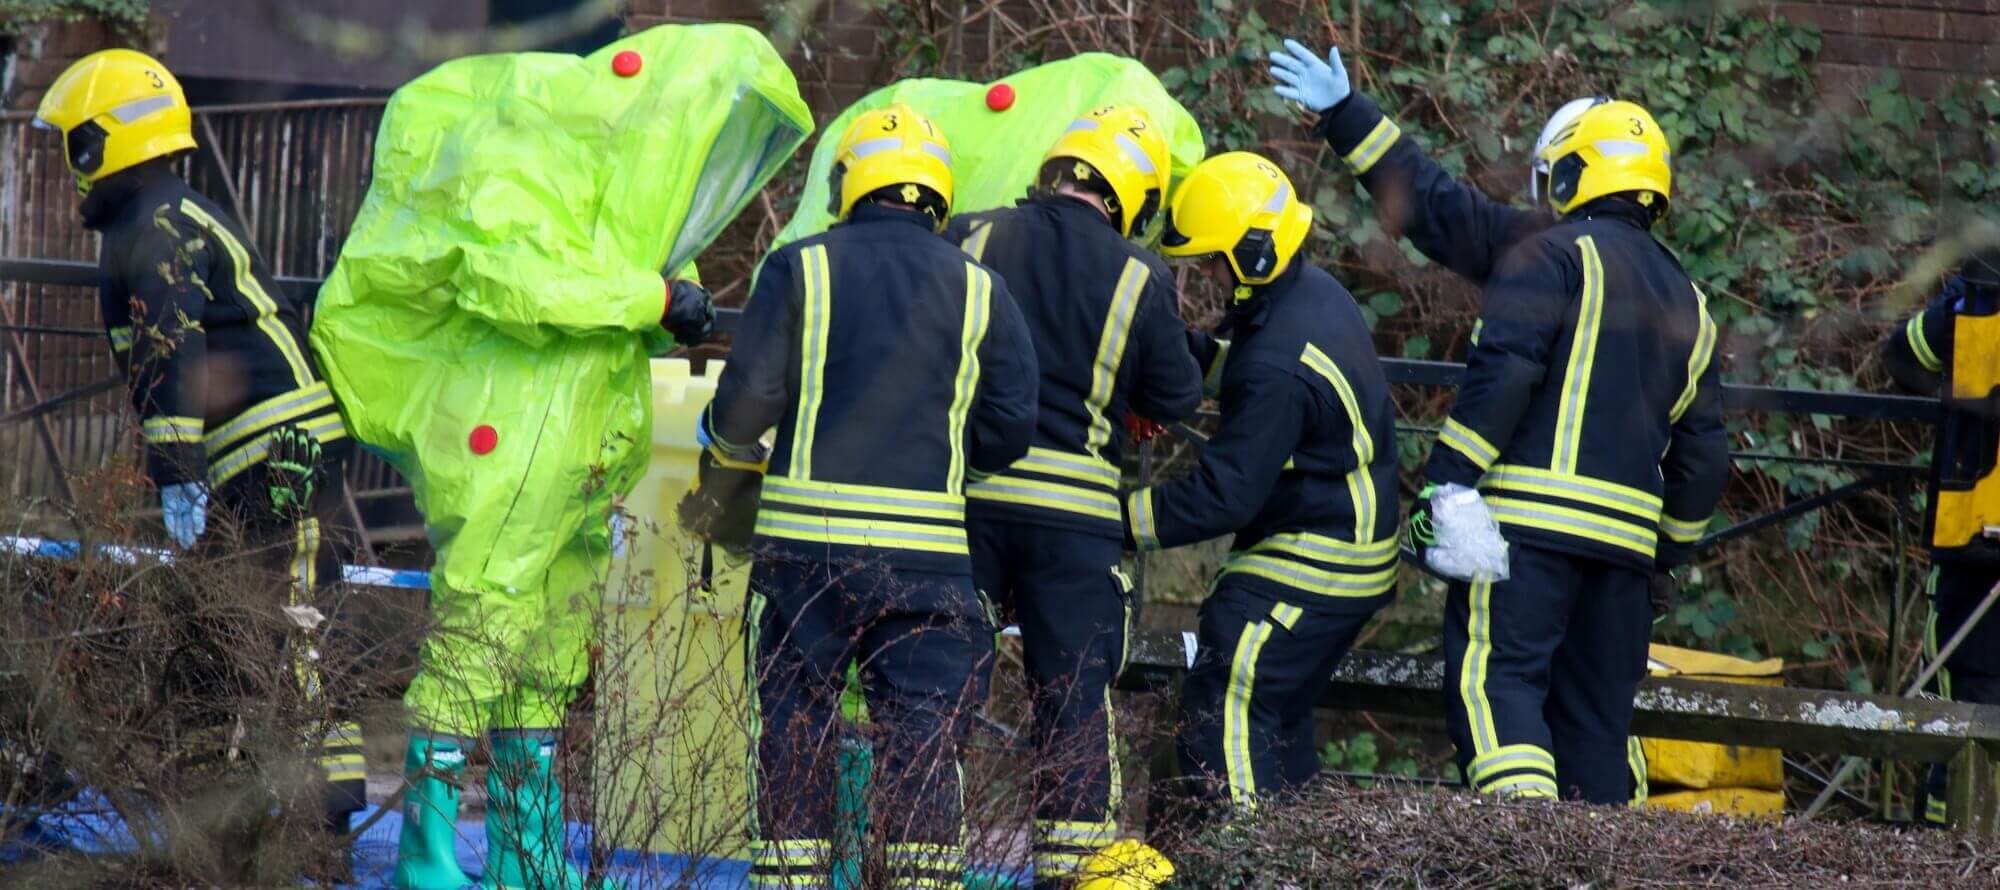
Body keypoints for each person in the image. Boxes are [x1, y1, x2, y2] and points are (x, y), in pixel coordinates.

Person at [698, 104, 1038, 889]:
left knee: (795, 733)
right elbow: (1011, 426)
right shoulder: (983, 289)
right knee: (922, 751)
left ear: (851, 182)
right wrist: (950, 462)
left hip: (805, 560)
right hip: (929, 565)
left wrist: (725, 463)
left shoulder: (801, 268)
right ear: (938, 192)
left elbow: (745, 408)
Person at [33, 48, 367, 839]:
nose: (70, 166)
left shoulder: (155, 224)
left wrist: (176, 467)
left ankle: (323, 820)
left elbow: (172, 345)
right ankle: (231, 810)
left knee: (293, 625)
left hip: (272, 453)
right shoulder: (160, 214)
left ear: (102, 141)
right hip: (256, 456)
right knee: (223, 633)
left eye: (75, 143)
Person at [1404, 100, 1728, 803]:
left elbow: (1506, 373)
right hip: (1625, 561)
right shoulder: (1691, 302)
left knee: (1497, 688)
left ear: (1574, 174)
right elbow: (1704, 457)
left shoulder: (1548, 256)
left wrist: (1448, 481)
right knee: (1595, 726)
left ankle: (1525, 849)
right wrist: (1665, 555)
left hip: (1523, 538)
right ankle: (1598, 856)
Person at [939, 104, 1201, 885]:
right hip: (1076, 524)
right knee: (1075, 707)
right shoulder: (1139, 274)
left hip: (969, 506)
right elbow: (1177, 393)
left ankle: (924, 865)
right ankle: (1075, 875)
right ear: (1136, 197)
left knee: (942, 695)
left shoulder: (970, 236)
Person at [1122, 151, 1398, 813]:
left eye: (1212, 262)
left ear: (1251, 254)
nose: (1208, 277)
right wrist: (1177, 356)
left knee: (1230, 699)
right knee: (1277, 720)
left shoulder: (1279, 361)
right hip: (1350, 542)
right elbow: (1250, 370)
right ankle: (1298, 848)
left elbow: (1225, 495)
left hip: (1322, 553)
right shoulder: (1308, 294)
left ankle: (1245, 856)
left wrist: (1112, 518)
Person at [1268, 38, 1605, 286]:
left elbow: (1437, 207)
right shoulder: (1541, 246)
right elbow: (1437, 206)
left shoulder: (1542, 253)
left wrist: (1346, 112)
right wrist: (1347, 115)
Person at [1880, 245, 2000, 827]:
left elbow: (1904, 359)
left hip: (1976, 543)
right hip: (1975, 552)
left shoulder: (1979, 292)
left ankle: (1949, 844)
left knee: (1960, 716)